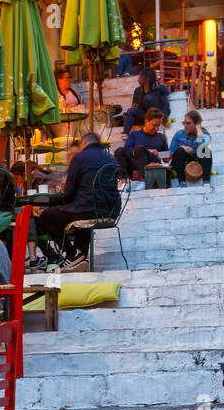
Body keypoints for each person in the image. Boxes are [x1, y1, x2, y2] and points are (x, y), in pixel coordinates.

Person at [34, 132, 115, 268]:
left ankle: (71, 253)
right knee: (77, 216)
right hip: (109, 210)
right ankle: (80, 256)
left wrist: (66, 204)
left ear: (84, 143)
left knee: (47, 216)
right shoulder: (110, 158)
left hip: (88, 209)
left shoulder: (80, 158)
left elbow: (69, 192)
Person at [114, 108, 167, 181]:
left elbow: (166, 156)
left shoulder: (160, 137)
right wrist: (146, 150)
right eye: (154, 125)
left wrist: (158, 154)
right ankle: (124, 181)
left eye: (158, 125)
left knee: (139, 148)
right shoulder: (134, 134)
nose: (156, 128)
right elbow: (127, 150)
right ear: (146, 121)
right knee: (119, 151)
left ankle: (142, 179)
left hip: (153, 164)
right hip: (136, 163)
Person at [166, 109, 213, 184]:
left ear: (196, 123)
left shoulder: (204, 134)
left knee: (205, 150)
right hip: (181, 163)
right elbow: (171, 154)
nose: (185, 126)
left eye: (188, 123)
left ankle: (206, 181)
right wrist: (183, 149)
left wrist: (198, 129)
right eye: (184, 123)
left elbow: (203, 146)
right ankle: (182, 182)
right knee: (180, 151)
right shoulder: (179, 134)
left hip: (196, 164)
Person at [121, 69, 170, 134]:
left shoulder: (159, 88)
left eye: (140, 76)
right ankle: (125, 133)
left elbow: (165, 104)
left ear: (147, 78)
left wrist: (163, 117)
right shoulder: (138, 90)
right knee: (131, 111)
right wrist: (134, 107)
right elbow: (135, 105)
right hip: (145, 115)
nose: (138, 78)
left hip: (157, 114)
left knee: (148, 98)